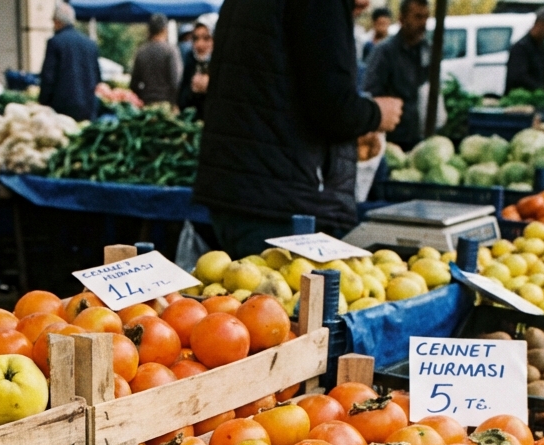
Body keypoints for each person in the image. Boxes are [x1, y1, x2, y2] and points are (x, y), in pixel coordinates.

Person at [194, 0, 402, 255]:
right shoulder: (319, 6)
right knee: (283, 292)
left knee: (252, 291)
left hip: (244, 191)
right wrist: (378, 113)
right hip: (286, 203)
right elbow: (333, 106)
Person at [363, 0, 429, 151]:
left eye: (426, 17)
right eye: (418, 17)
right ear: (402, 18)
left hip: (418, 136)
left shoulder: (426, 49)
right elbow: (370, 93)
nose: (423, 23)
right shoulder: (384, 52)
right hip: (392, 139)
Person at [39, 3, 100, 122]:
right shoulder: (90, 44)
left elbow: (48, 78)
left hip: (62, 109)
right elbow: (97, 77)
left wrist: (43, 103)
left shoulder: (55, 42)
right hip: (88, 108)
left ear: (57, 22)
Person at [130, 12, 181, 106]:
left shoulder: (141, 52)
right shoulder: (170, 51)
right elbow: (175, 82)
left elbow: (134, 84)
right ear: (164, 30)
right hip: (166, 104)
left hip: (146, 103)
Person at [505, 8, 544, 94]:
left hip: (538, 99)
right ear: (540, 24)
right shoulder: (521, 47)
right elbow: (518, 77)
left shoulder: (542, 47)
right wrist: (543, 88)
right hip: (520, 101)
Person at [177, 18, 213, 120]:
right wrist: (193, 91)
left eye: (206, 38)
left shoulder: (223, 66)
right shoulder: (190, 62)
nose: (200, 44)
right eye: (196, 39)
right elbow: (182, 101)